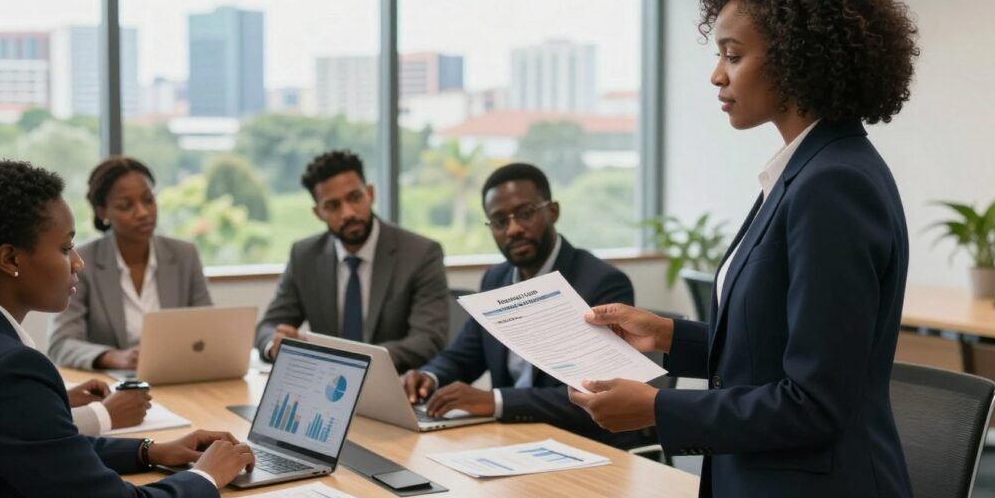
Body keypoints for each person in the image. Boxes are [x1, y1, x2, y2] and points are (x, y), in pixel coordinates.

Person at [568, 0, 918, 498]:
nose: (717, 75)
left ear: (798, 60)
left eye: (733, 55)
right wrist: (666, 335)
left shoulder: (833, 184)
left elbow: (813, 401)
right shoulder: (805, 169)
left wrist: (657, 409)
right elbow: (775, 348)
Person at [0, 159, 253, 498]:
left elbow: (49, 446)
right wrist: (208, 475)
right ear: (10, 260)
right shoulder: (15, 370)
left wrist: (151, 450)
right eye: (64, 248)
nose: (77, 262)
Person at [402, 163, 643, 446]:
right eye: (500, 221)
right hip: (512, 440)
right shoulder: (496, 278)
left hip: (583, 444)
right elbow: (463, 355)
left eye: (525, 214)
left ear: (553, 211)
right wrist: (430, 377)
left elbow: (593, 393)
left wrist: (496, 401)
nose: (513, 229)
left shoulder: (602, 284)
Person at [255, 150, 448, 373]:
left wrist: (356, 363)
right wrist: (275, 346)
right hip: (326, 389)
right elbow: (268, 327)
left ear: (370, 194)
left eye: (355, 198)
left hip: (395, 385)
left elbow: (428, 338)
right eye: (333, 206)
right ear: (318, 213)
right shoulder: (304, 256)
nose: (348, 213)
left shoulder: (420, 254)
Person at [48, 157, 213, 373]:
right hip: (114, 387)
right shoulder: (83, 261)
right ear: (102, 212)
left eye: (148, 200)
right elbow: (61, 344)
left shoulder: (184, 255)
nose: (143, 212)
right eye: (126, 206)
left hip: (176, 378)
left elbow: (209, 329)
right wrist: (113, 357)